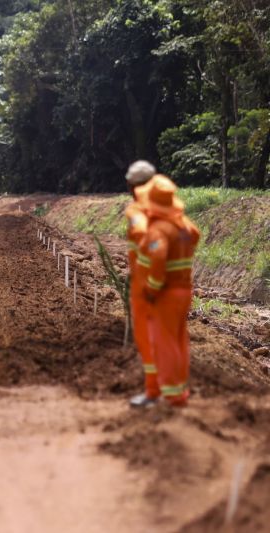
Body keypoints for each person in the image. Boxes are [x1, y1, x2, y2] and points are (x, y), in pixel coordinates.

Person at [139, 176, 200, 407]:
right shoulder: (183, 225)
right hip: (185, 289)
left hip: (166, 293)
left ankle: (172, 395)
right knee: (178, 339)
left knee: (163, 341)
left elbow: (158, 255)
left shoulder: (158, 231)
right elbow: (195, 235)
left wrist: (152, 287)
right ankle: (180, 389)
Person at [124, 161, 159, 408]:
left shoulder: (144, 213)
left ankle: (156, 392)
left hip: (151, 286)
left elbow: (156, 248)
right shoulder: (165, 207)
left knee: (151, 339)